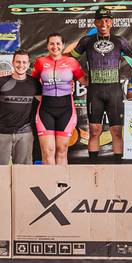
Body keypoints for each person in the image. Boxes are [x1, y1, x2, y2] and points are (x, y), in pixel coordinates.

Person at [71, 8, 132, 164]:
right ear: (95, 22)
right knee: (94, 131)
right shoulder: (86, 41)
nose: (103, 23)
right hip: (94, 92)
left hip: (114, 92)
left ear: (111, 22)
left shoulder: (120, 41)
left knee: (116, 132)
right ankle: (93, 169)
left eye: (107, 20)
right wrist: (53, 59)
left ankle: (118, 168)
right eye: (100, 20)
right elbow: (70, 59)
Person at [31, 33, 87, 165]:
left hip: (66, 110)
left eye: (58, 43)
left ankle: (61, 179)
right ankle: (49, 178)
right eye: (51, 44)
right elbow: (32, 83)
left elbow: (85, 81)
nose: (55, 46)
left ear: (63, 45)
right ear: (47, 46)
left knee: (61, 151)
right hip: (46, 110)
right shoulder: (40, 62)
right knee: (48, 151)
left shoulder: (72, 62)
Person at [0, 49, 40, 165]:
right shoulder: (0, 81)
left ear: (28, 64)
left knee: (23, 172)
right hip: (2, 133)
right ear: (12, 63)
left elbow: (46, 102)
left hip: (25, 134)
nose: (21, 65)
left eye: (24, 62)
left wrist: (68, 91)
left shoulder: (34, 83)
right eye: (18, 62)